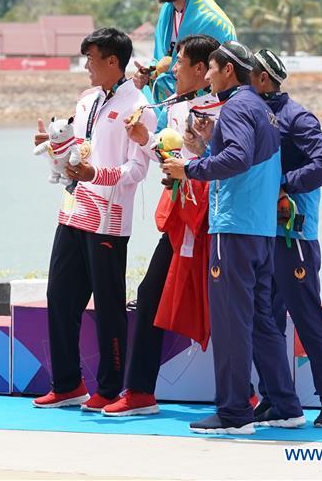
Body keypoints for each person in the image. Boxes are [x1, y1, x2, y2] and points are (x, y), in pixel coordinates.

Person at [162, 41, 303, 434]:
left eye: (209, 68)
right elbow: (249, 161)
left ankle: (234, 412)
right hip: (257, 231)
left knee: (231, 322)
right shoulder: (260, 107)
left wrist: (189, 168)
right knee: (260, 321)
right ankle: (285, 406)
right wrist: (210, 145)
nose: (205, 76)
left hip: (235, 229)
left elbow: (238, 159)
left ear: (227, 70)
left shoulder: (239, 106)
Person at [32, 28, 157, 411]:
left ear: (112, 62)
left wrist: (96, 177)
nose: (86, 65)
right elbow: (78, 149)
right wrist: (55, 148)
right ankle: (68, 383)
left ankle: (111, 387)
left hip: (109, 218)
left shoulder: (140, 107)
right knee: (60, 297)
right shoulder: (86, 99)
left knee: (107, 305)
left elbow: (138, 169)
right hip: (73, 208)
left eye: (92, 58)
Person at [104, 34, 221, 417]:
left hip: (211, 217)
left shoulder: (220, 110)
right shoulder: (176, 106)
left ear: (202, 70)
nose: (173, 66)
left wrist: (152, 144)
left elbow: (197, 162)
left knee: (222, 302)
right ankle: (139, 391)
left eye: (180, 61)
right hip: (181, 214)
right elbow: (171, 159)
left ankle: (249, 393)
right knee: (151, 291)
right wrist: (145, 138)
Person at [249, 49, 322, 427]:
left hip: (295, 234)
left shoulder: (297, 117)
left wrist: (283, 184)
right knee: (267, 319)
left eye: (248, 76)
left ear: (262, 78)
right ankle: (274, 396)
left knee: (307, 317)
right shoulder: (255, 114)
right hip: (260, 231)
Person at [132, 0, 237, 131]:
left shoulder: (212, 22)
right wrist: (148, 75)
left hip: (205, 119)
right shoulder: (168, 9)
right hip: (172, 109)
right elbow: (162, 60)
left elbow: (222, 79)